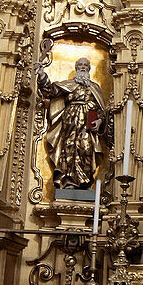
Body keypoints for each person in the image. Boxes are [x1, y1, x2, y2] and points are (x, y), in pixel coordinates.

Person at [37, 57, 107, 189]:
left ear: (89, 68)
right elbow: (49, 91)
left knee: (86, 149)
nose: (82, 67)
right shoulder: (68, 85)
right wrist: (41, 75)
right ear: (76, 68)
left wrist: (99, 120)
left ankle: (84, 182)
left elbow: (101, 110)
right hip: (70, 122)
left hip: (88, 124)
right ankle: (68, 180)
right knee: (69, 148)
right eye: (80, 65)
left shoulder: (95, 88)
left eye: (85, 65)